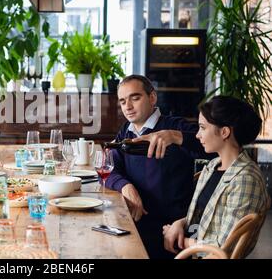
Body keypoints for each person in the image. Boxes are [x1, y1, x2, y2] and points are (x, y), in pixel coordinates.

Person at [105, 75, 211, 258]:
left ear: (152, 98)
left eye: (135, 98)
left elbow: (212, 150)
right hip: (134, 222)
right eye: (123, 101)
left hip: (170, 230)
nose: (128, 106)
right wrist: (126, 186)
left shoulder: (175, 126)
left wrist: (175, 136)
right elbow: (107, 168)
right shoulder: (126, 131)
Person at [163, 96, 269, 256]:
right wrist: (180, 223)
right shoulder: (212, 166)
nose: (197, 135)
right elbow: (203, 216)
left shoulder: (245, 179)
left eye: (202, 128)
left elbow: (224, 248)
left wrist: (181, 240)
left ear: (224, 132)